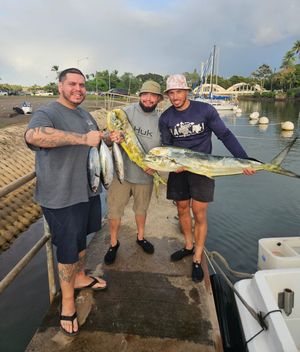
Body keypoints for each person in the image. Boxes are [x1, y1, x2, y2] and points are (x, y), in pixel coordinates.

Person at [25, 68, 107, 337]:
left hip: (87, 192)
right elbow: (33, 136)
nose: (78, 89)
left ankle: (81, 277)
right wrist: (82, 138)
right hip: (62, 197)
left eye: (82, 85)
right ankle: (67, 302)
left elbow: (93, 143)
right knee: (68, 250)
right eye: (72, 84)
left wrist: (105, 136)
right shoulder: (47, 112)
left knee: (82, 238)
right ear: (60, 86)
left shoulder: (85, 114)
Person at [159, 74, 255, 283]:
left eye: (178, 92)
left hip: (203, 168)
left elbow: (225, 135)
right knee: (182, 208)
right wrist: (171, 165)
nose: (175, 97)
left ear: (186, 92)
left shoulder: (205, 110)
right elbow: (167, 148)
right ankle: (188, 245)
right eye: (171, 93)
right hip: (179, 170)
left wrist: (243, 160)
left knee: (199, 212)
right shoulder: (165, 118)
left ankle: (197, 256)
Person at [104, 80, 163, 265]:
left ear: (159, 99)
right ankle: (113, 243)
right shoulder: (124, 113)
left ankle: (140, 237)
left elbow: (164, 149)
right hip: (121, 174)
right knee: (115, 211)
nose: (148, 98)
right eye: (145, 94)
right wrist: (111, 137)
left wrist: (157, 166)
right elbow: (106, 137)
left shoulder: (162, 120)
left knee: (141, 210)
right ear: (140, 95)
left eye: (153, 95)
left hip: (146, 175)